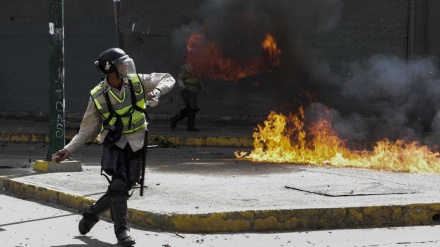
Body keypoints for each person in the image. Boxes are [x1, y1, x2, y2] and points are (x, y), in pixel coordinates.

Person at [52, 48, 175, 247]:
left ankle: (92, 213)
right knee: (118, 185)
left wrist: (158, 91)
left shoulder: (136, 81)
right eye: (122, 64)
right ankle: (122, 232)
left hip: (137, 141)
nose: (126, 67)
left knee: (125, 186)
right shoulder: (98, 96)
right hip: (114, 142)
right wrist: (68, 150)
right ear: (111, 70)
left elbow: (168, 78)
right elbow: (86, 129)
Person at [169, 55, 205, 131]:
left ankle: (174, 119)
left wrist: (202, 89)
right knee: (192, 108)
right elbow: (180, 78)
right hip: (187, 91)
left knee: (190, 108)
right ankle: (190, 126)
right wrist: (183, 86)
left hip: (194, 91)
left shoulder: (197, 68)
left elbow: (199, 80)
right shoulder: (185, 67)